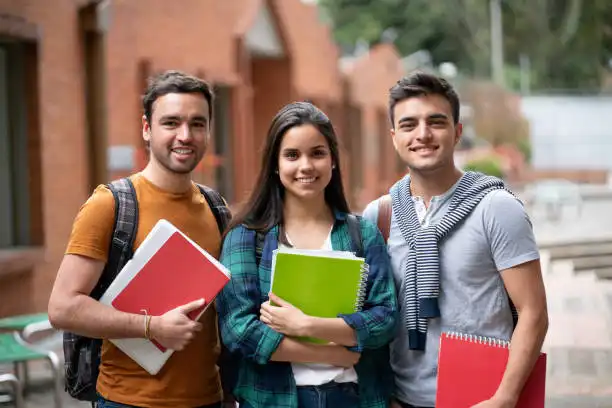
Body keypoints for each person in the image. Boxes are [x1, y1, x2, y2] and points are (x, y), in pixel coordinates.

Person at [362, 72, 549, 408]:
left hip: (482, 398)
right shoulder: (379, 217)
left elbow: (533, 311)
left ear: (457, 131)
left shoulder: (496, 208)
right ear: (393, 137)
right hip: (399, 399)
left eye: (436, 121)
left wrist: (505, 397)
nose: (423, 134)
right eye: (409, 125)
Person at [48, 70, 230, 408]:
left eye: (198, 123)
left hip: (209, 399)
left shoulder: (216, 208)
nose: (185, 135)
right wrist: (152, 326)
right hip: (127, 400)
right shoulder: (110, 204)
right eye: (171, 123)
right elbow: (62, 308)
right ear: (147, 129)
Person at [216, 101, 398, 408]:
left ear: (333, 160)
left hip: (352, 397)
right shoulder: (246, 237)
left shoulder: (362, 233)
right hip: (273, 400)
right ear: (275, 164)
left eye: (317, 153)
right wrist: (333, 352)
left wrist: (306, 325)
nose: (306, 166)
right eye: (292, 155)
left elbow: (385, 318)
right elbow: (238, 330)